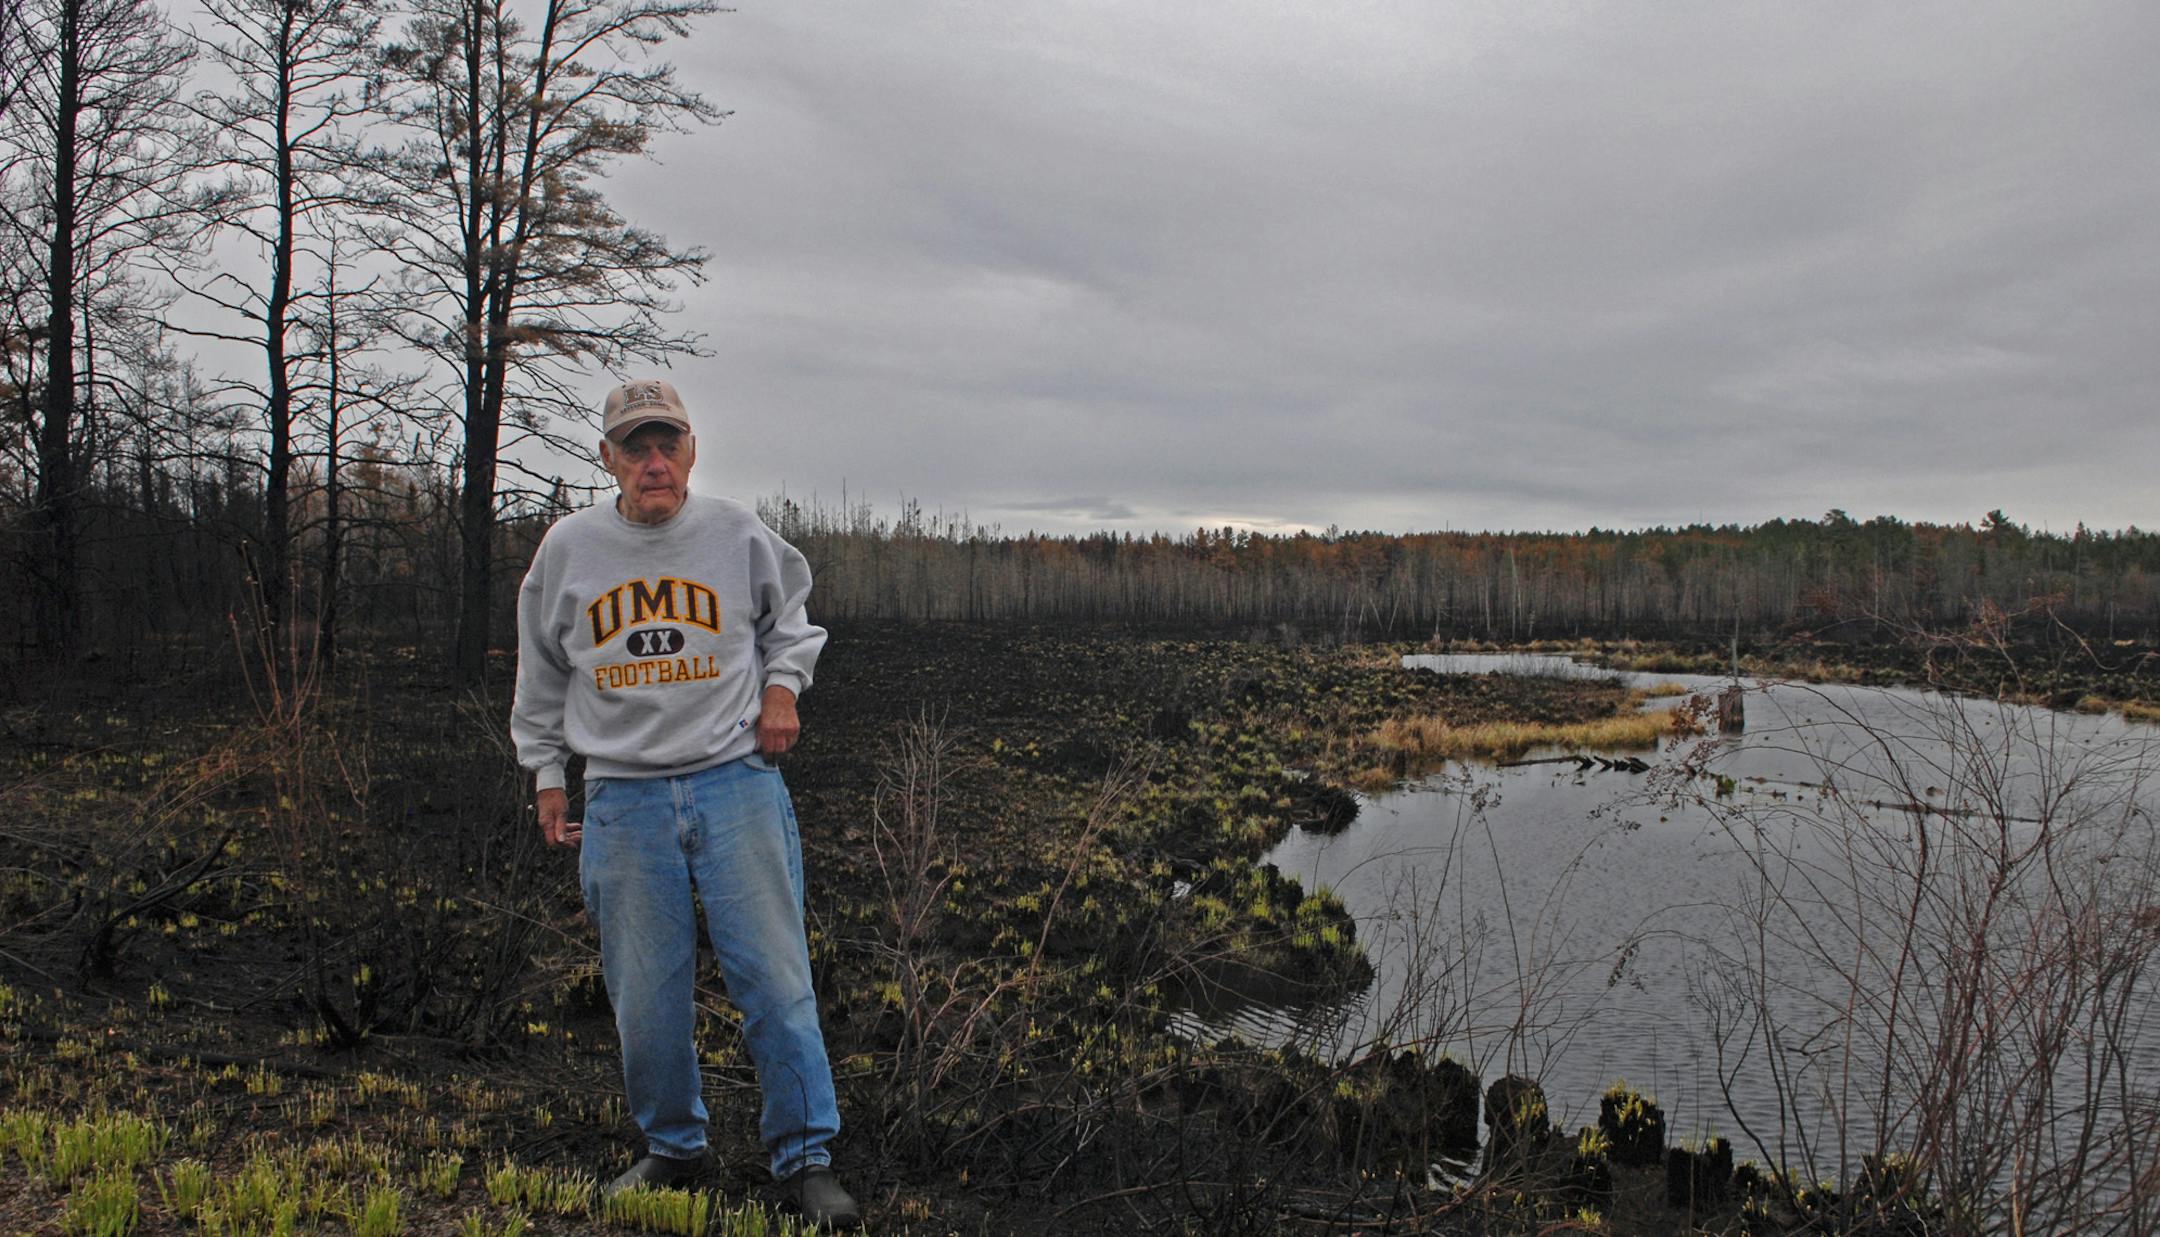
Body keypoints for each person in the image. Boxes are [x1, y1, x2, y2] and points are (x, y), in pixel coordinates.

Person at [510, 377, 859, 1229]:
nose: (654, 461)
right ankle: (674, 1146)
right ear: (608, 457)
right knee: (644, 991)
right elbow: (542, 671)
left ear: (693, 449)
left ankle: (807, 1156)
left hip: (734, 781)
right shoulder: (568, 550)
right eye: (636, 445)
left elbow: (794, 623)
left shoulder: (736, 534)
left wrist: (782, 691)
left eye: (668, 442)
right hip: (622, 796)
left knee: (775, 977)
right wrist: (547, 773)